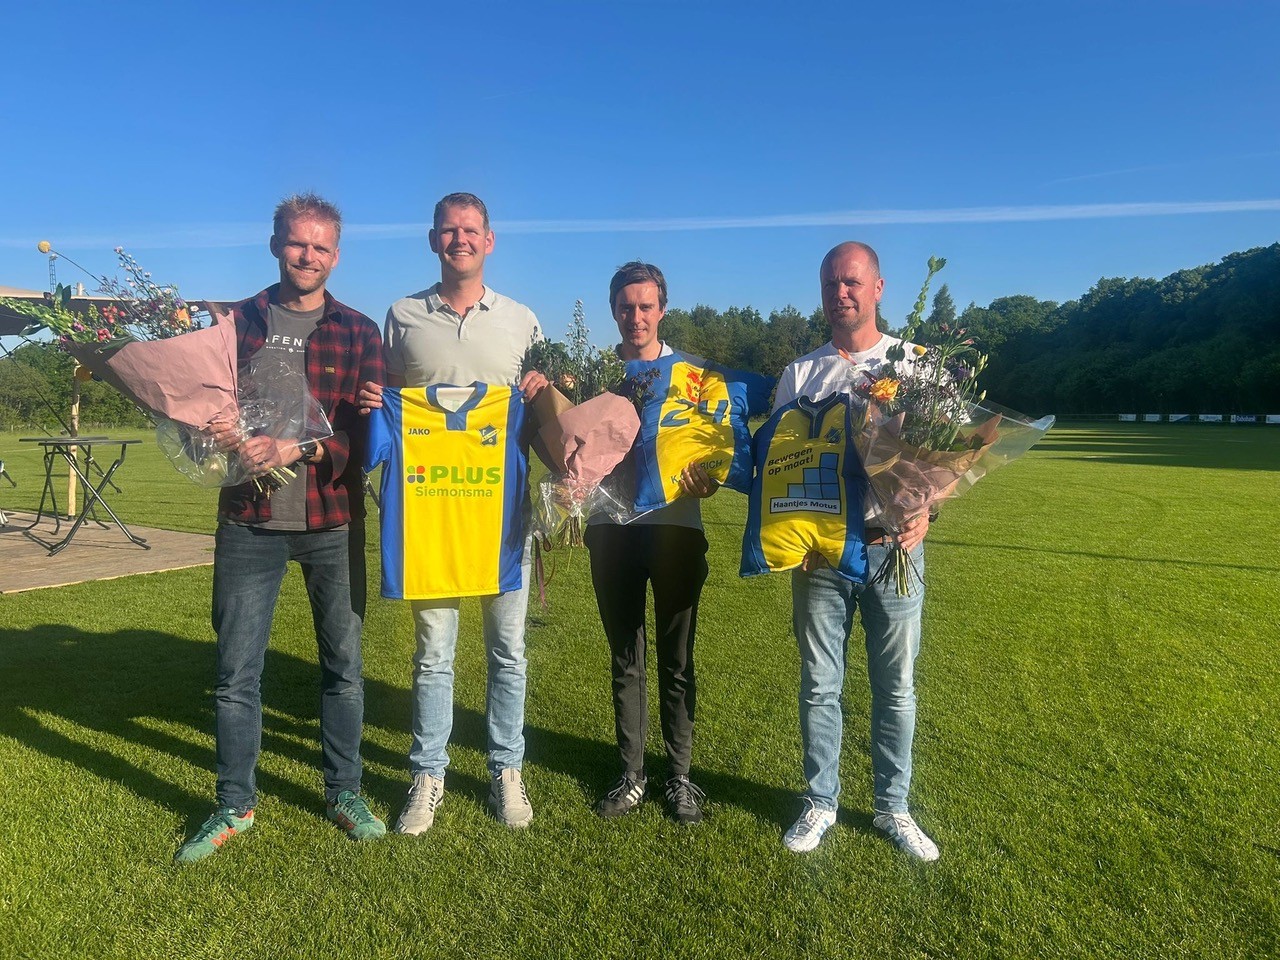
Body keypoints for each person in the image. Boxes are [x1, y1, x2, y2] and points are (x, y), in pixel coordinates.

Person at [175, 193, 386, 863]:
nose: (307, 255)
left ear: (336, 256)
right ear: (275, 245)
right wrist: (215, 432)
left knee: (344, 668)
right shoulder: (231, 325)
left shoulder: (360, 332)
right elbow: (193, 414)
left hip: (332, 519)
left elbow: (365, 435)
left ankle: (344, 792)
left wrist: (298, 447)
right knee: (235, 672)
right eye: (297, 243)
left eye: (321, 246)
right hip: (248, 521)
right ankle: (233, 804)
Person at [358, 192, 548, 834]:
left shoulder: (522, 320)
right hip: (431, 518)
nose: (459, 239)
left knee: (508, 652)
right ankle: (427, 774)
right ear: (432, 239)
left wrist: (545, 390)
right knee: (434, 655)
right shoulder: (402, 317)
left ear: (489, 240)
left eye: (470, 230)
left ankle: (506, 769)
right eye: (448, 230)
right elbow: (388, 401)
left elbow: (544, 412)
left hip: (503, 520)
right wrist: (375, 400)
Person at [772, 241, 940, 860]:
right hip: (821, 557)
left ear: (878, 288)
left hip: (894, 550)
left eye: (850, 282)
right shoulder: (801, 374)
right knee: (820, 685)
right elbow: (781, 467)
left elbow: (940, 454)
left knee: (897, 689)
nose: (839, 293)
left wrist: (928, 512)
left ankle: (894, 808)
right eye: (830, 284)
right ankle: (821, 801)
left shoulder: (916, 364)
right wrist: (796, 534)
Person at [585, 262, 717, 826]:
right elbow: (571, 443)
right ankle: (632, 775)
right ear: (613, 310)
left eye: (645, 306)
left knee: (677, 657)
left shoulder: (693, 376)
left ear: (662, 309)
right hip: (609, 530)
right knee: (625, 656)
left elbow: (713, 447)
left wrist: (710, 478)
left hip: (675, 529)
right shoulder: (595, 374)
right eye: (625, 306)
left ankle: (680, 777)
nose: (635, 316)